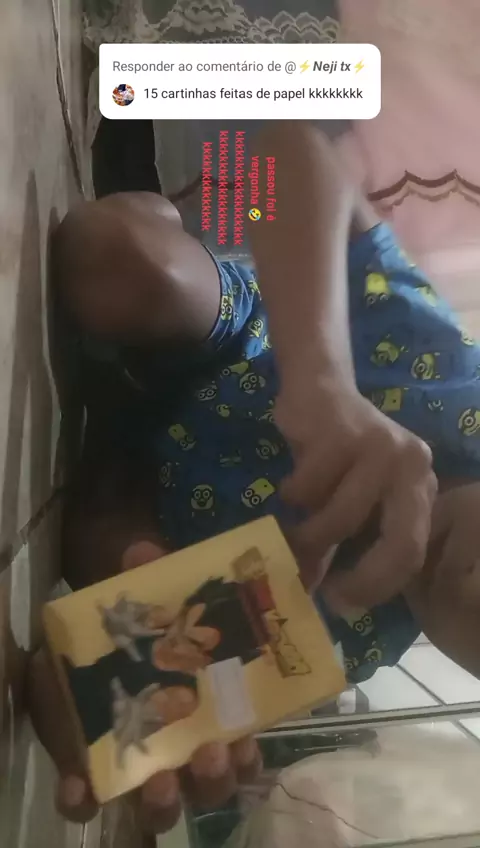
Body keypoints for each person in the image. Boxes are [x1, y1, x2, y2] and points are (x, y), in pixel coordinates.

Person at [28, 122, 480, 834]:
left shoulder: (351, 633)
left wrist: (91, 691)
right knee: (115, 260)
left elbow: (104, 637)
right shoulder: (451, 388)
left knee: (107, 560)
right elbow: (290, 141)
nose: (474, 595)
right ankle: (155, 225)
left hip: (141, 489)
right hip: (229, 347)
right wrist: (321, 376)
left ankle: (108, 397)